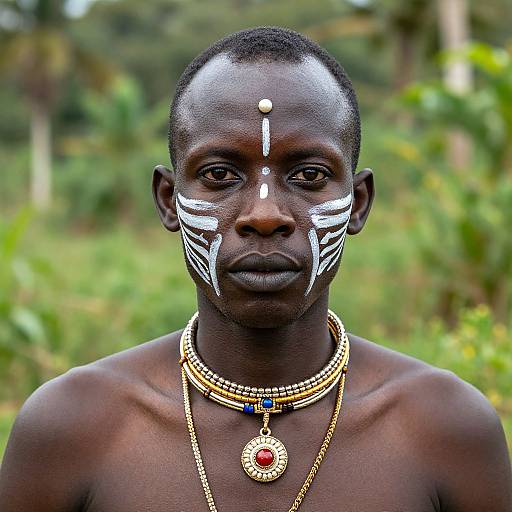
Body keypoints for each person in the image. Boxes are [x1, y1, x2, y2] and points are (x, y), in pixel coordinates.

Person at [0, 26, 511, 512]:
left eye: (309, 175)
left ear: (357, 203)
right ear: (168, 200)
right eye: (219, 175)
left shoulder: (447, 431)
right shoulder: (70, 430)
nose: (264, 215)